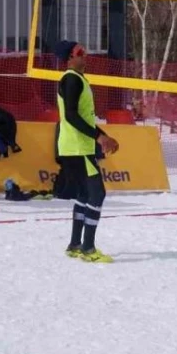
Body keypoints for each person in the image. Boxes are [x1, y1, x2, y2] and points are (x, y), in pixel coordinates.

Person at [56, 40, 119, 263]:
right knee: (97, 194)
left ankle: (75, 244)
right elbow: (72, 116)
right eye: (80, 52)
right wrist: (99, 137)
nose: (86, 55)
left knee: (84, 195)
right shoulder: (71, 79)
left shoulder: (76, 79)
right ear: (69, 58)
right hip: (77, 148)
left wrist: (103, 136)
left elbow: (82, 118)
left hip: (75, 147)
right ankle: (88, 248)